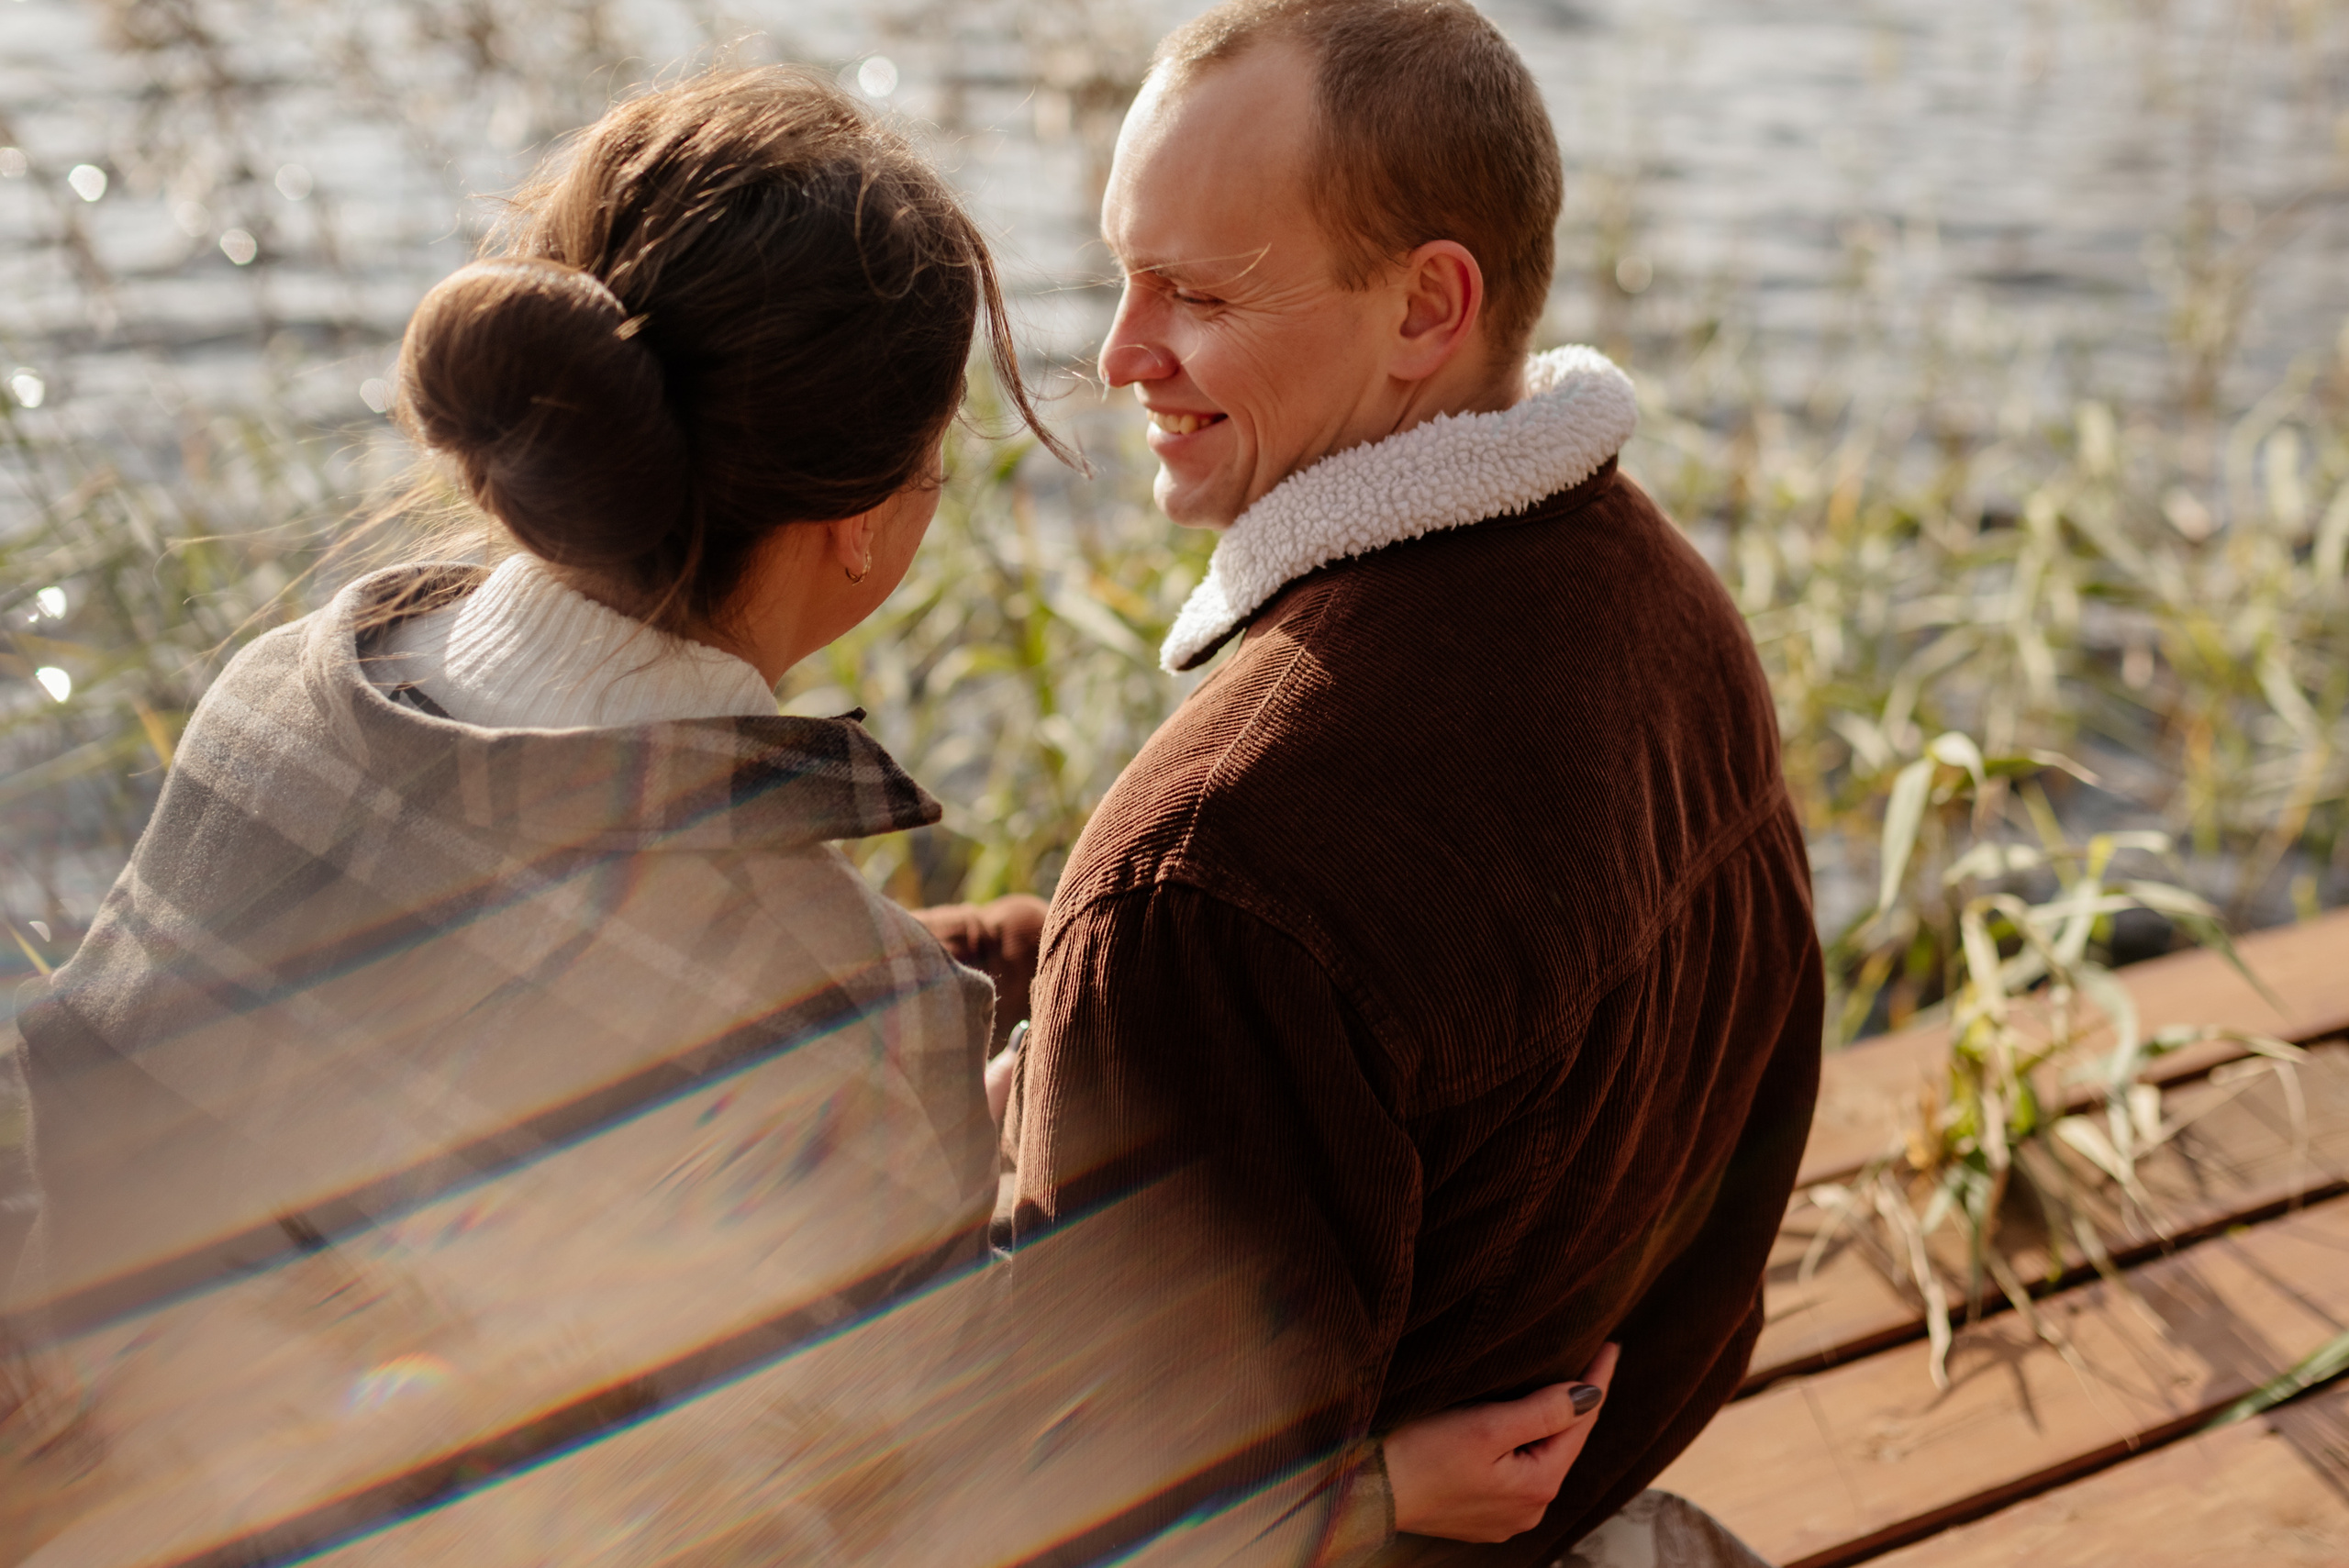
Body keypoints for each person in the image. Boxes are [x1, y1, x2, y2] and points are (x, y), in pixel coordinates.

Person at [0, 66, 1615, 1567]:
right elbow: (944, 1511)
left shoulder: (277, 696)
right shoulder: (840, 1005)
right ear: (859, 526)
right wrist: (1368, 1495)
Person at [1001, 3, 1823, 1562]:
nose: (1119, 355)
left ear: (1427, 306)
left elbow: (1100, 1513)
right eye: (1120, 273)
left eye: (1194, 290)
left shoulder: (1210, 864)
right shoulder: (1666, 595)